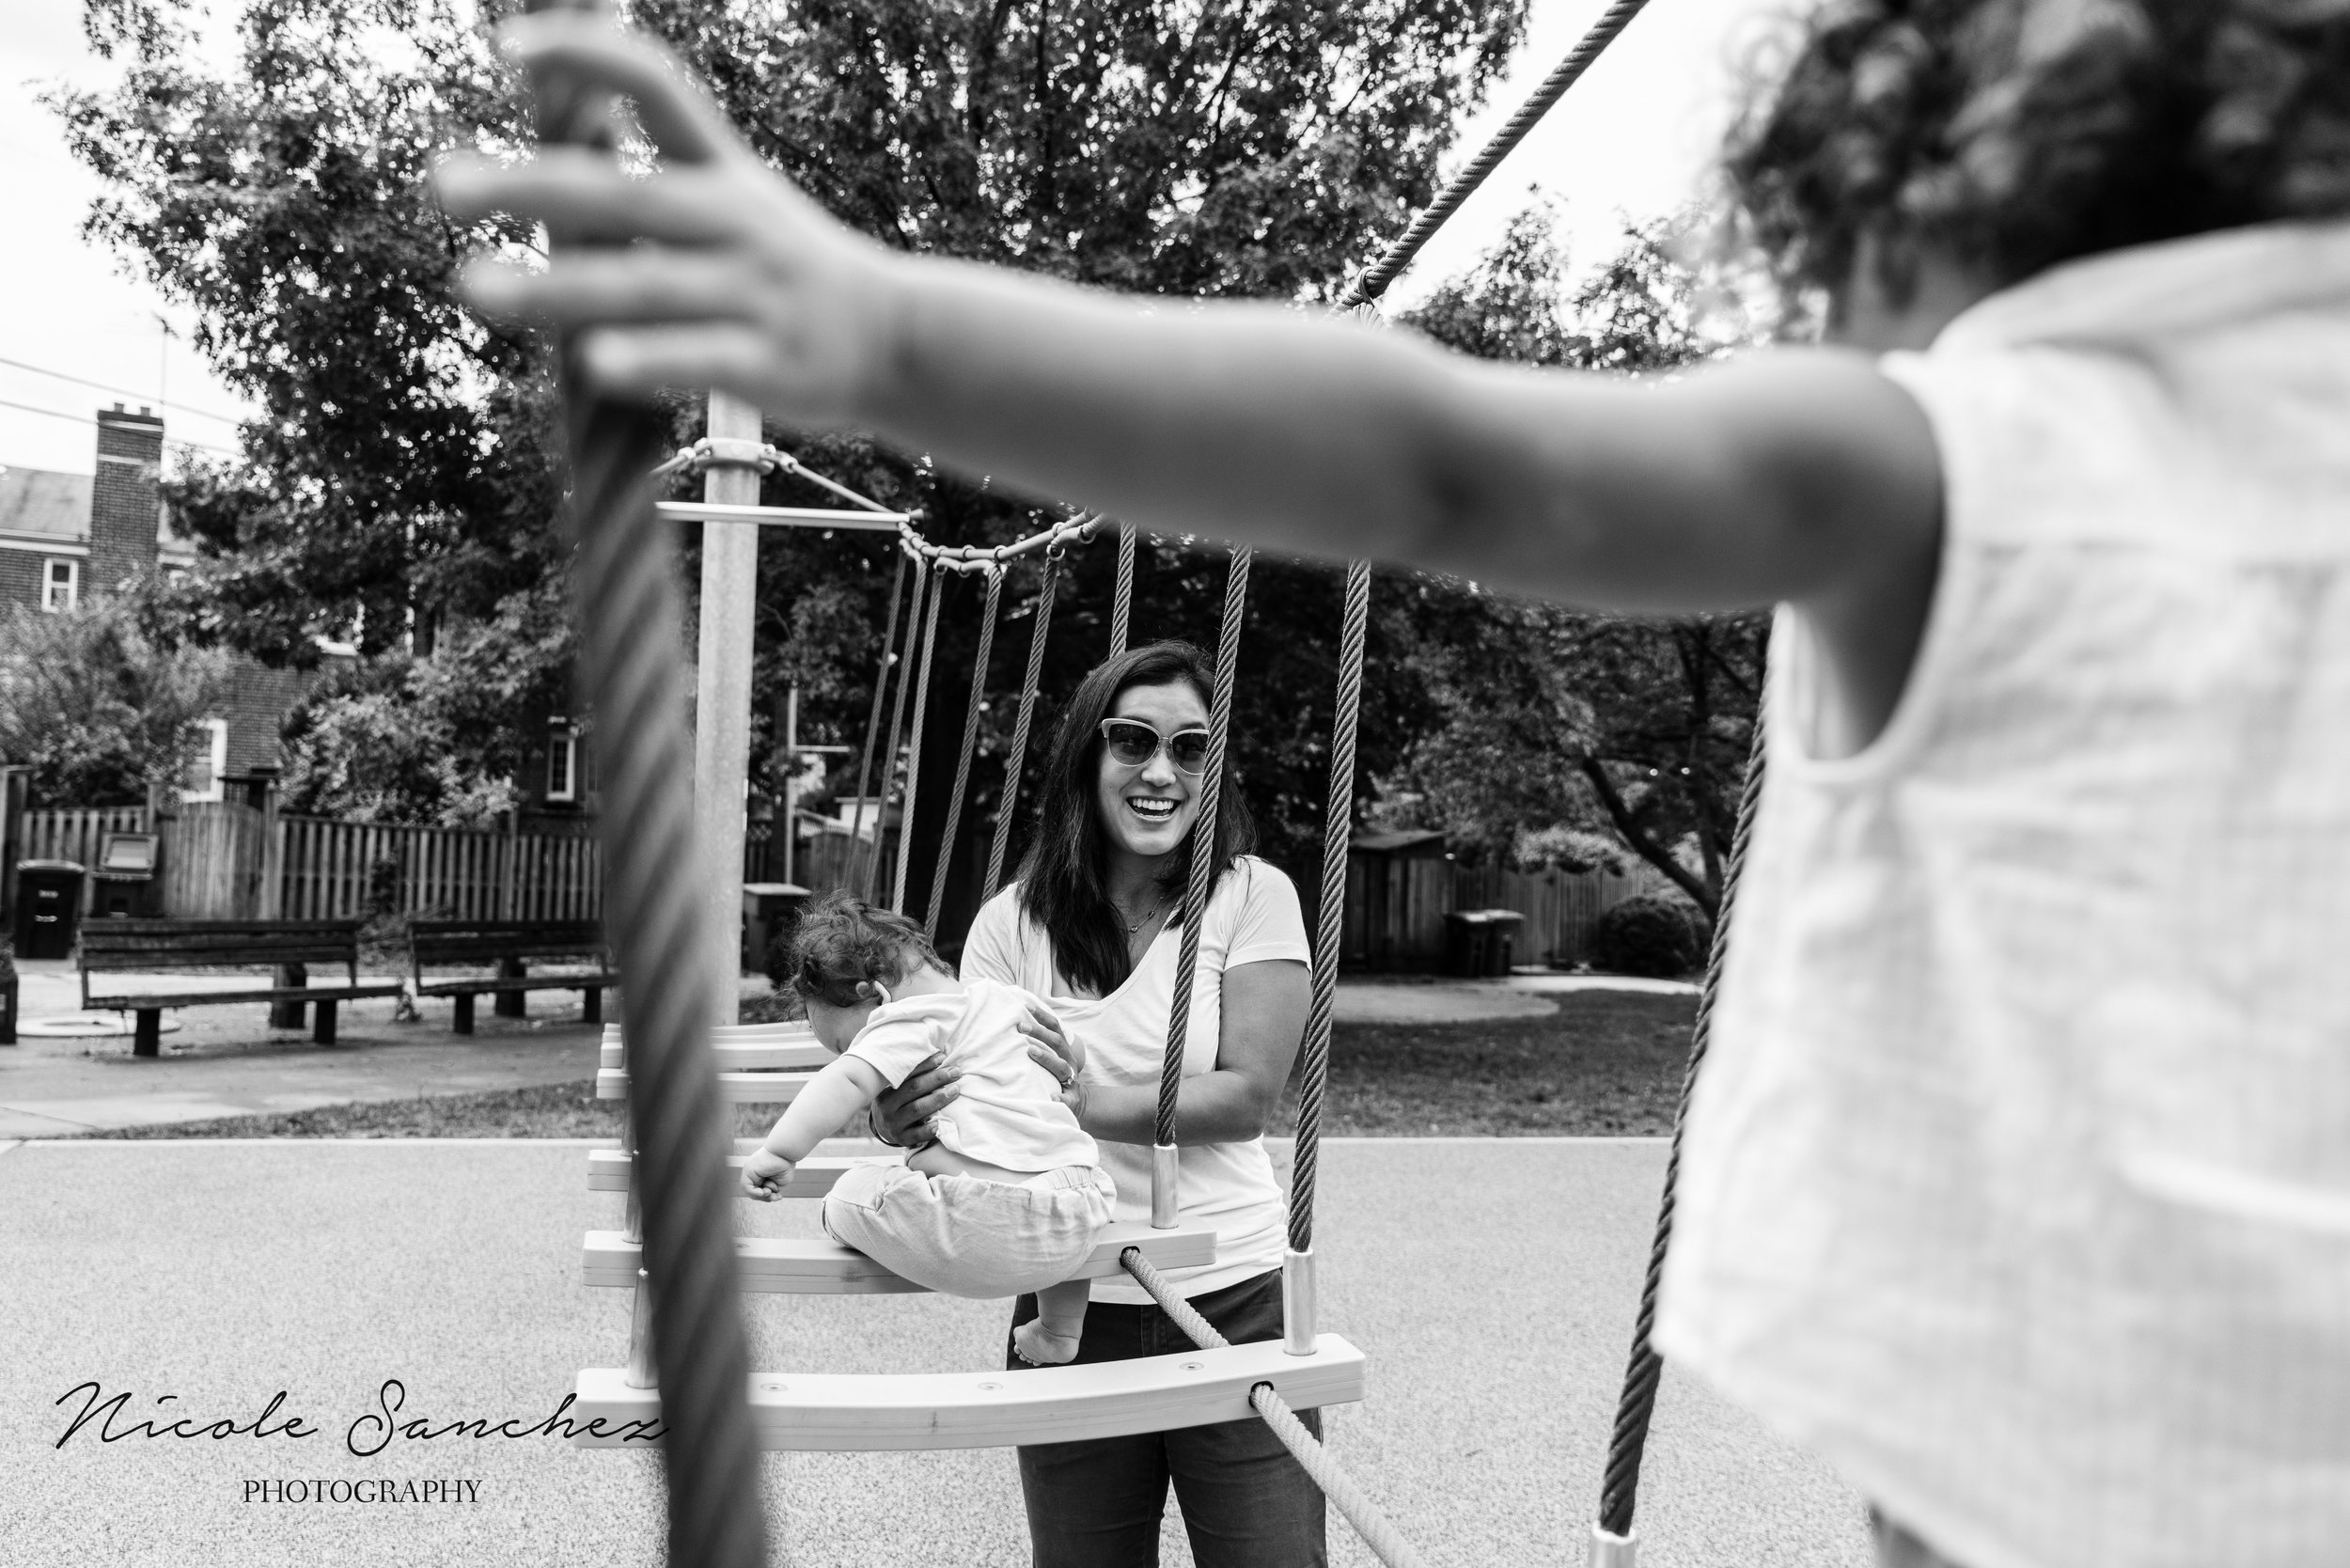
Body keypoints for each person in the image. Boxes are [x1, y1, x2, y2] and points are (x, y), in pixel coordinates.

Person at [442, 6, 2350, 1566]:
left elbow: (1431, 456)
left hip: (2046, 1450)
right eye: (1134, 740)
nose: (1162, 765)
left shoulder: (1949, 451)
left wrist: (877, 328)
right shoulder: (1018, 916)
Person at [746, 892, 1114, 1369]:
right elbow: (1075, 1052)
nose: (853, 1056)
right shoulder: (1008, 1001)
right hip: (1080, 1211)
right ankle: (1060, 1329)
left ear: (873, 996)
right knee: (1053, 1174)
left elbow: (849, 1080)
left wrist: (781, 1152)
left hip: (988, 1223)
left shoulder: (907, 1017)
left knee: (850, 1191)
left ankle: (843, 1214)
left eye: (846, 1044)